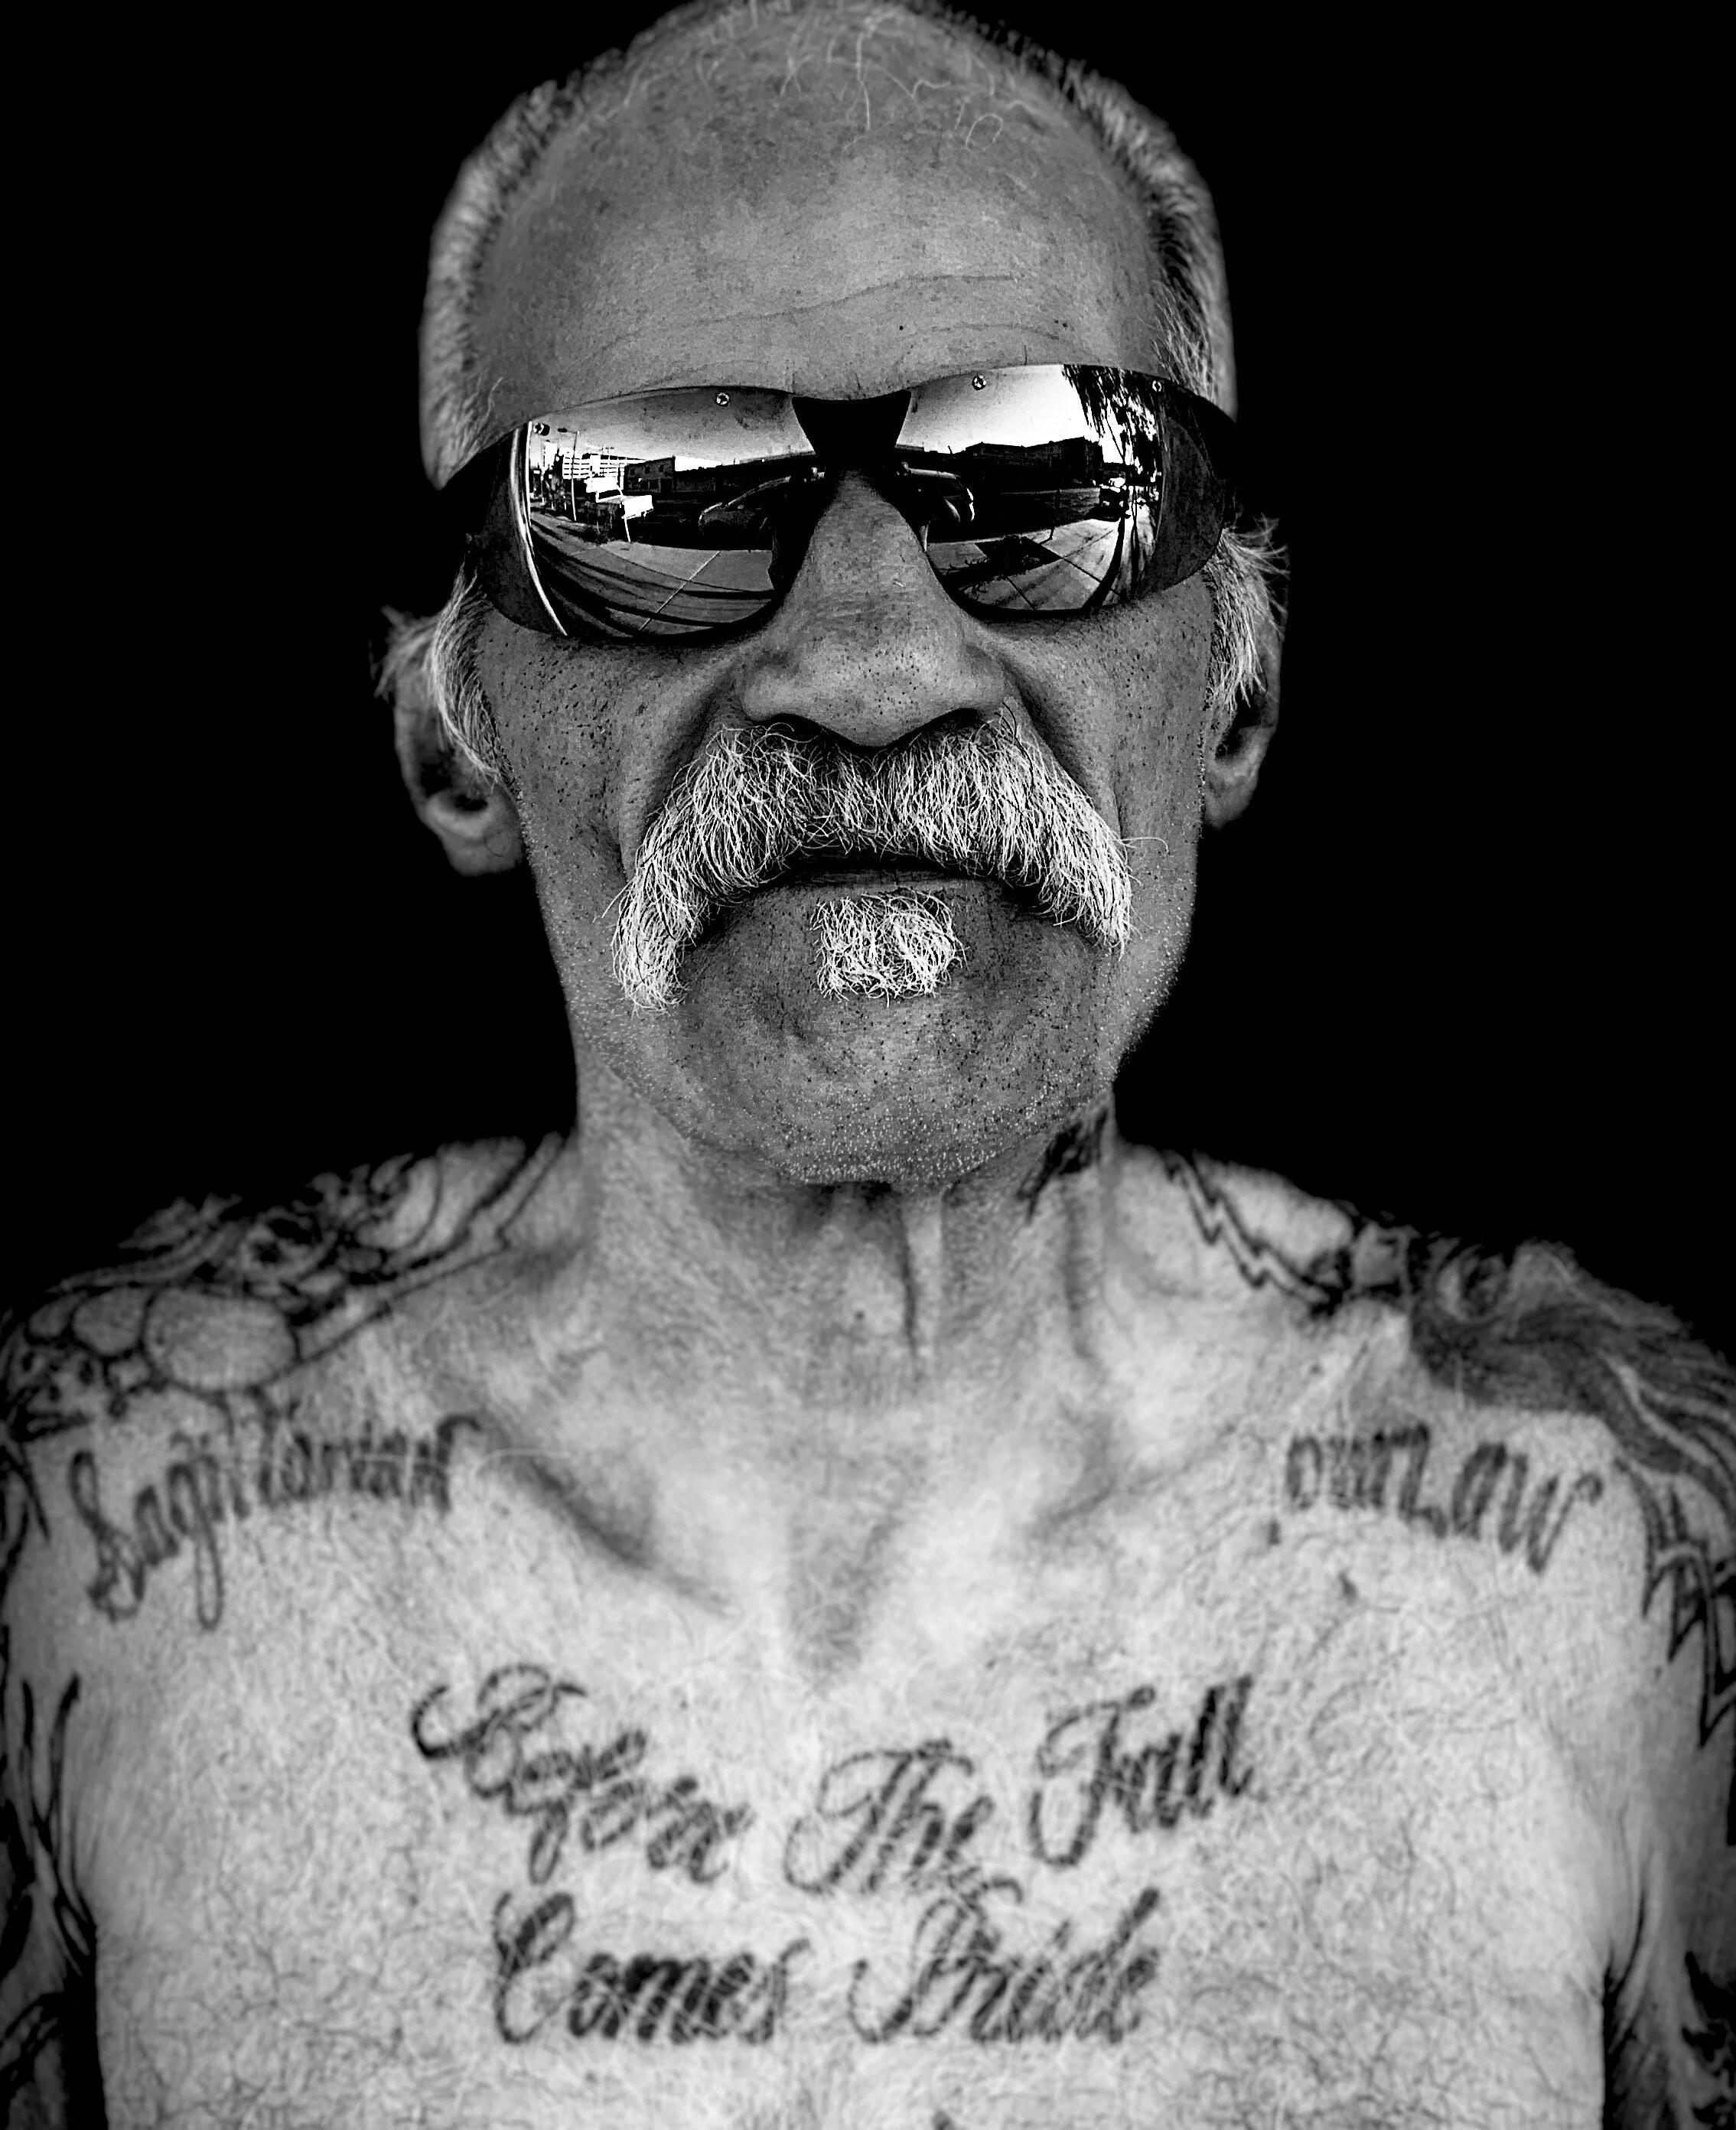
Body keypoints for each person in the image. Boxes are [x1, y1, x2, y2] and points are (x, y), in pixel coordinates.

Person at [3, 2, 1730, 2122]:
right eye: (655, 502)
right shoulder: (87, 1548)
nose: (869, 669)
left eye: (1043, 478)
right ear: (453, 730)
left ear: (1232, 688)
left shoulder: (1614, 1555)